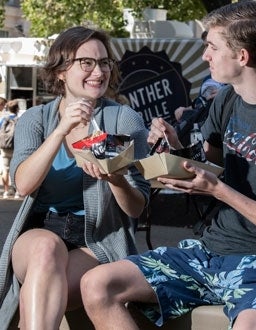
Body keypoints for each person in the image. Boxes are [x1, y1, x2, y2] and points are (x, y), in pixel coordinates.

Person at [80, 2, 256, 330]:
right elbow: (210, 167)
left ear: (242, 56)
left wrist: (220, 191)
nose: (205, 56)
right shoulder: (226, 101)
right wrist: (174, 147)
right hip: (208, 250)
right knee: (98, 285)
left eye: (212, 47)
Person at [0, 26, 150, 329]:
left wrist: (116, 179)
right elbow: (24, 185)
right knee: (46, 249)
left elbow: (137, 208)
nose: (99, 71)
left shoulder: (123, 119)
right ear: (61, 71)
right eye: (87, 62)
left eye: (104, 62)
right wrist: (60, 130)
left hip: (96, 239)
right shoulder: (36, 119)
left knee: (39, 295)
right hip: (40, 231)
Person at [0, 99, 19, 198]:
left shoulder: (4, 119)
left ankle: (6, 192)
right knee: (16, 169)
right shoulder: (19, 120)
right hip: (16, 147)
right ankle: (16, 192)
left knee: (5, 169)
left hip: (5, 147)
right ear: (17, 109)